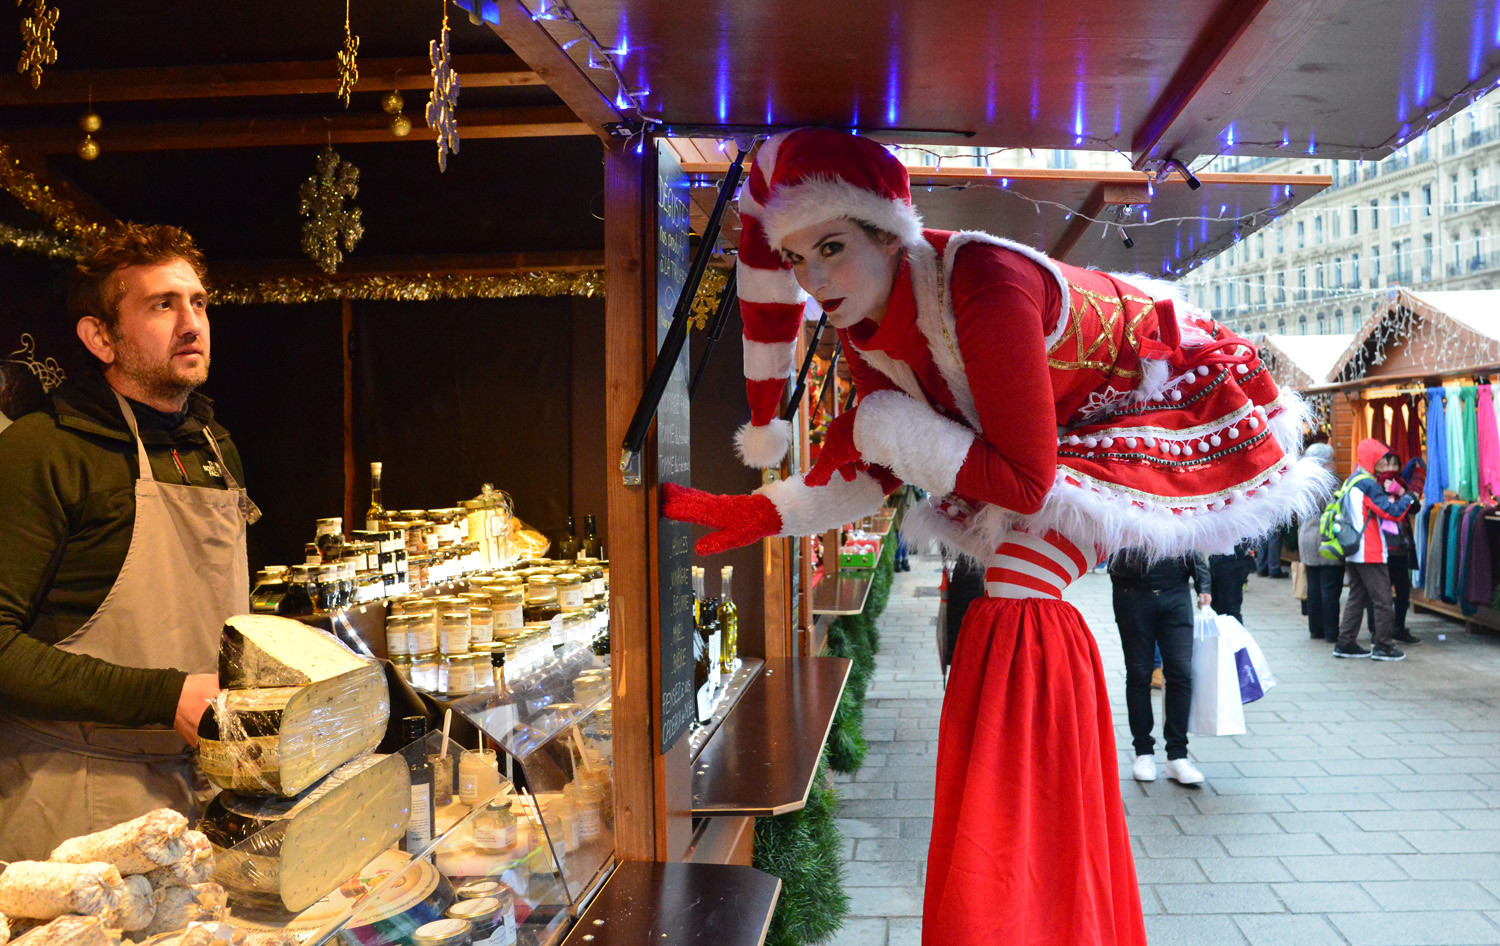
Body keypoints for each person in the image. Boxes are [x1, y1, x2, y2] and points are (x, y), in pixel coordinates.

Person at [660, 128, 1327, 946]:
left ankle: (1018, 872)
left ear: (888, 231)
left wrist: (882, 422)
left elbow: (1020, 483)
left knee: (1018, 588)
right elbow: (879, 465)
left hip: (1160, 402)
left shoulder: (982, 280)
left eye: (830, 246)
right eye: (796, 260)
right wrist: (766, 514)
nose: (815, 279)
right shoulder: (868, 330)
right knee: (1009, 592)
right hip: (1051, 436)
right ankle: (1016, 862)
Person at [0, 224, 257, 860]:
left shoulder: (213, 448)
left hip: (206, 793)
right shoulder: (44, 450)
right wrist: (164, 697)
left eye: (197, 302)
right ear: (100, 338)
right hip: (78, 801)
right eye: (161, 304)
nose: (191, 322)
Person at [1108, 548, 1210, 784]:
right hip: (1131, 591)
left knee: (1181, 673)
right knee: (1138, 673)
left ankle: (1178, 754)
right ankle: (1143, 751)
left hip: (1176, 590)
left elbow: (1193, 534)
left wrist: (1203, 583)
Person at [1334, 438, 1415, 660]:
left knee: (1357, 598)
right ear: (1372, 460)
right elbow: (1391, 512)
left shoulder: (1352, 480)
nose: (1385, 464)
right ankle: (1383, 647)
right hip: (1370, 549)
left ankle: (1345, 642)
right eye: (1381, 459)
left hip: (1352, 547)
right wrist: (1407, 497)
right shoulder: (1368, 484)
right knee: (1383, 601)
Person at [1297, 443, 1344, 642]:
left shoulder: (1303, 481)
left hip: (1306, 536)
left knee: (1314, 586)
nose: (1335, 462)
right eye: (1333, 459)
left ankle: (1316, 629)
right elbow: (1335, 509)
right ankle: (1331, 632)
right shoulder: (1330, 481)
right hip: (1325, 537)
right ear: (1327, 462)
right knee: (1330, 586)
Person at [1207, 540, 1256, 624]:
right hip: (1219, 557)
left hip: (1233, 560)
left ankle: (1235, 635)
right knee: (1217, 607)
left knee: (1229, 610)